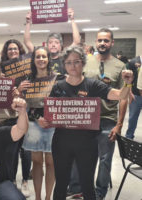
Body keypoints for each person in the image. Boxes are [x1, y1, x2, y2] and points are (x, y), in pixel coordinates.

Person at [39, 45, 133, 200]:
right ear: (64, 65)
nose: (73, 66)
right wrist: (45, 122)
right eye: (68, 63)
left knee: (87, 185)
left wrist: (128, 83)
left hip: (87, 144)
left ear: (82, 62)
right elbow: (50, 117)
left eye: (76, 61)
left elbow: (120, 95)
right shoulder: (58, 86)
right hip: (61, 143)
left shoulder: (93, 85)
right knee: (61, 184)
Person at [82, 28, 128, 200]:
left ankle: (99, 193)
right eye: (100, 40)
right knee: (86, 157)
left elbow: (123, 98)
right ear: (96, 42)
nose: (102, 43)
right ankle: (83, 189)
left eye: (106, 40)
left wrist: (119, 124)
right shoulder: (85, 62)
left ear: (112, 43)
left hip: (108, 119)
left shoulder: (120, 66)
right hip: (86, 118)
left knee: (105, 159)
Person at [18, 46, 56, 200]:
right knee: (37, 162)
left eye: (44, 57)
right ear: (33, 60)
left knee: (51, 163)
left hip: (52, 125)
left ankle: (48, 197)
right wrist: (19, 90)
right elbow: (23, 104)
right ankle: (38, 197)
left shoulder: (56, 79)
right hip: (34, 125)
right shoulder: (27, 81)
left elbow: (59, 102)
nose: (41, 60)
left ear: (48, 59)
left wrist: (49, 119)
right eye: (38, 57)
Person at [0, 38, 31, 196]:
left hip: (26, 114)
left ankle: (25, 181)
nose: (12, 51)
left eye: (15, 49)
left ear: (20, 52)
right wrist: (16, 89)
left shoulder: (27, 70)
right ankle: (11, 181)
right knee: (11, 151)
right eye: (10, 49)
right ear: (6, 53)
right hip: (10, 116)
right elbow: (2, 95)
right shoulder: (2, 71)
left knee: (26, 151)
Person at [23, 8, 81, 79]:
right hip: (44, 88)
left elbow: (76, 42)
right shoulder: (41, 57)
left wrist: (72, 20)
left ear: (61, 45)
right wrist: (28, 23)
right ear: (47, 45)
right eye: (50, 42)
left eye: (56, 42)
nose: (53, 45)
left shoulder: (65, 57)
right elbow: (27, 42)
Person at [125, 55, 142, 139]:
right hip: (136, 95)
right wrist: (130, 92)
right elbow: (128, 77)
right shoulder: (133, 62)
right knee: (133, 117)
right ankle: (129, 136)